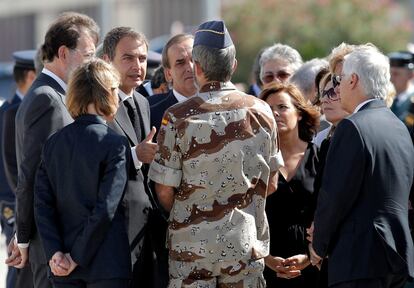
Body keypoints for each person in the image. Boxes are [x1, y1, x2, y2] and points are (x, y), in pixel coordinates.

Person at [149, 20, 283, 287]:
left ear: (196, 67)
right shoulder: (262, 112)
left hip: (191, 251)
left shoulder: (177, 116)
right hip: (243, 248)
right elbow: (272, 183)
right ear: (233, 66)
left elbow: (164, 191)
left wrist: (189, 216)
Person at [6, 12, 99, 288]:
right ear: (63, 52)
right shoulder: (47, 99)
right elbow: (32, 174)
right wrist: (22, 236)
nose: (92, 63)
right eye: (88, 55)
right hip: (53, 245)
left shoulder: (56, 95)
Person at [311, 45, 414, 288]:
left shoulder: (353, 127)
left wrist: (318, 246)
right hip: (395, 259)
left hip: (358, 260)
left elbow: (335, 197)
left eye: (340, 79)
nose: (337, 86)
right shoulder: (398, 127)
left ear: (353, 80)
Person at [33, 59, 131, 288]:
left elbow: (42, 206)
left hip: (62, 268)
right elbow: (106, 208)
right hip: (106, 267)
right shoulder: (115, 144)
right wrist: (76, 257)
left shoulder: (53, 144)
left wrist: (56, 253)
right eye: (115, 90)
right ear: (107, 93)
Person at [102, 26, 158, 287]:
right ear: (106, 60)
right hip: (114, 235)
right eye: (128, 58)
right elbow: (92, 164)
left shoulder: (144, 102)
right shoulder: (98, 106)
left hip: (146, 233)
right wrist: (135, 155)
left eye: (143, 59)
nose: (138, 66)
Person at [259, 82, 320, 287]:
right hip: (265, 265)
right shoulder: (255, 159)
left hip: (314, 263)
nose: (275, 113)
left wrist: (311, 256)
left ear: (300, 113)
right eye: (268, 109)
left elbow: (333, 211)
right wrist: (266, 259)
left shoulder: (320, 156)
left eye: (282, 107)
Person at [0, 50, 36, 288]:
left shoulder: (25, 107)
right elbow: (11, 165)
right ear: (32, 76)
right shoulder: (11, 111)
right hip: (13, 199)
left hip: (20, 198)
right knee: (19, 261)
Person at [148, 33, 197, 137]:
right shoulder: (149, 111)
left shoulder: (220, 106)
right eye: (180, 63)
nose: (190, 67)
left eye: (195, 60)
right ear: (168, 74)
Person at [388, 51, 414, 122]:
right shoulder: (385, 98)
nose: (391, 78)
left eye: (396, 74)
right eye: (390, 73)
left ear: (411, 75)